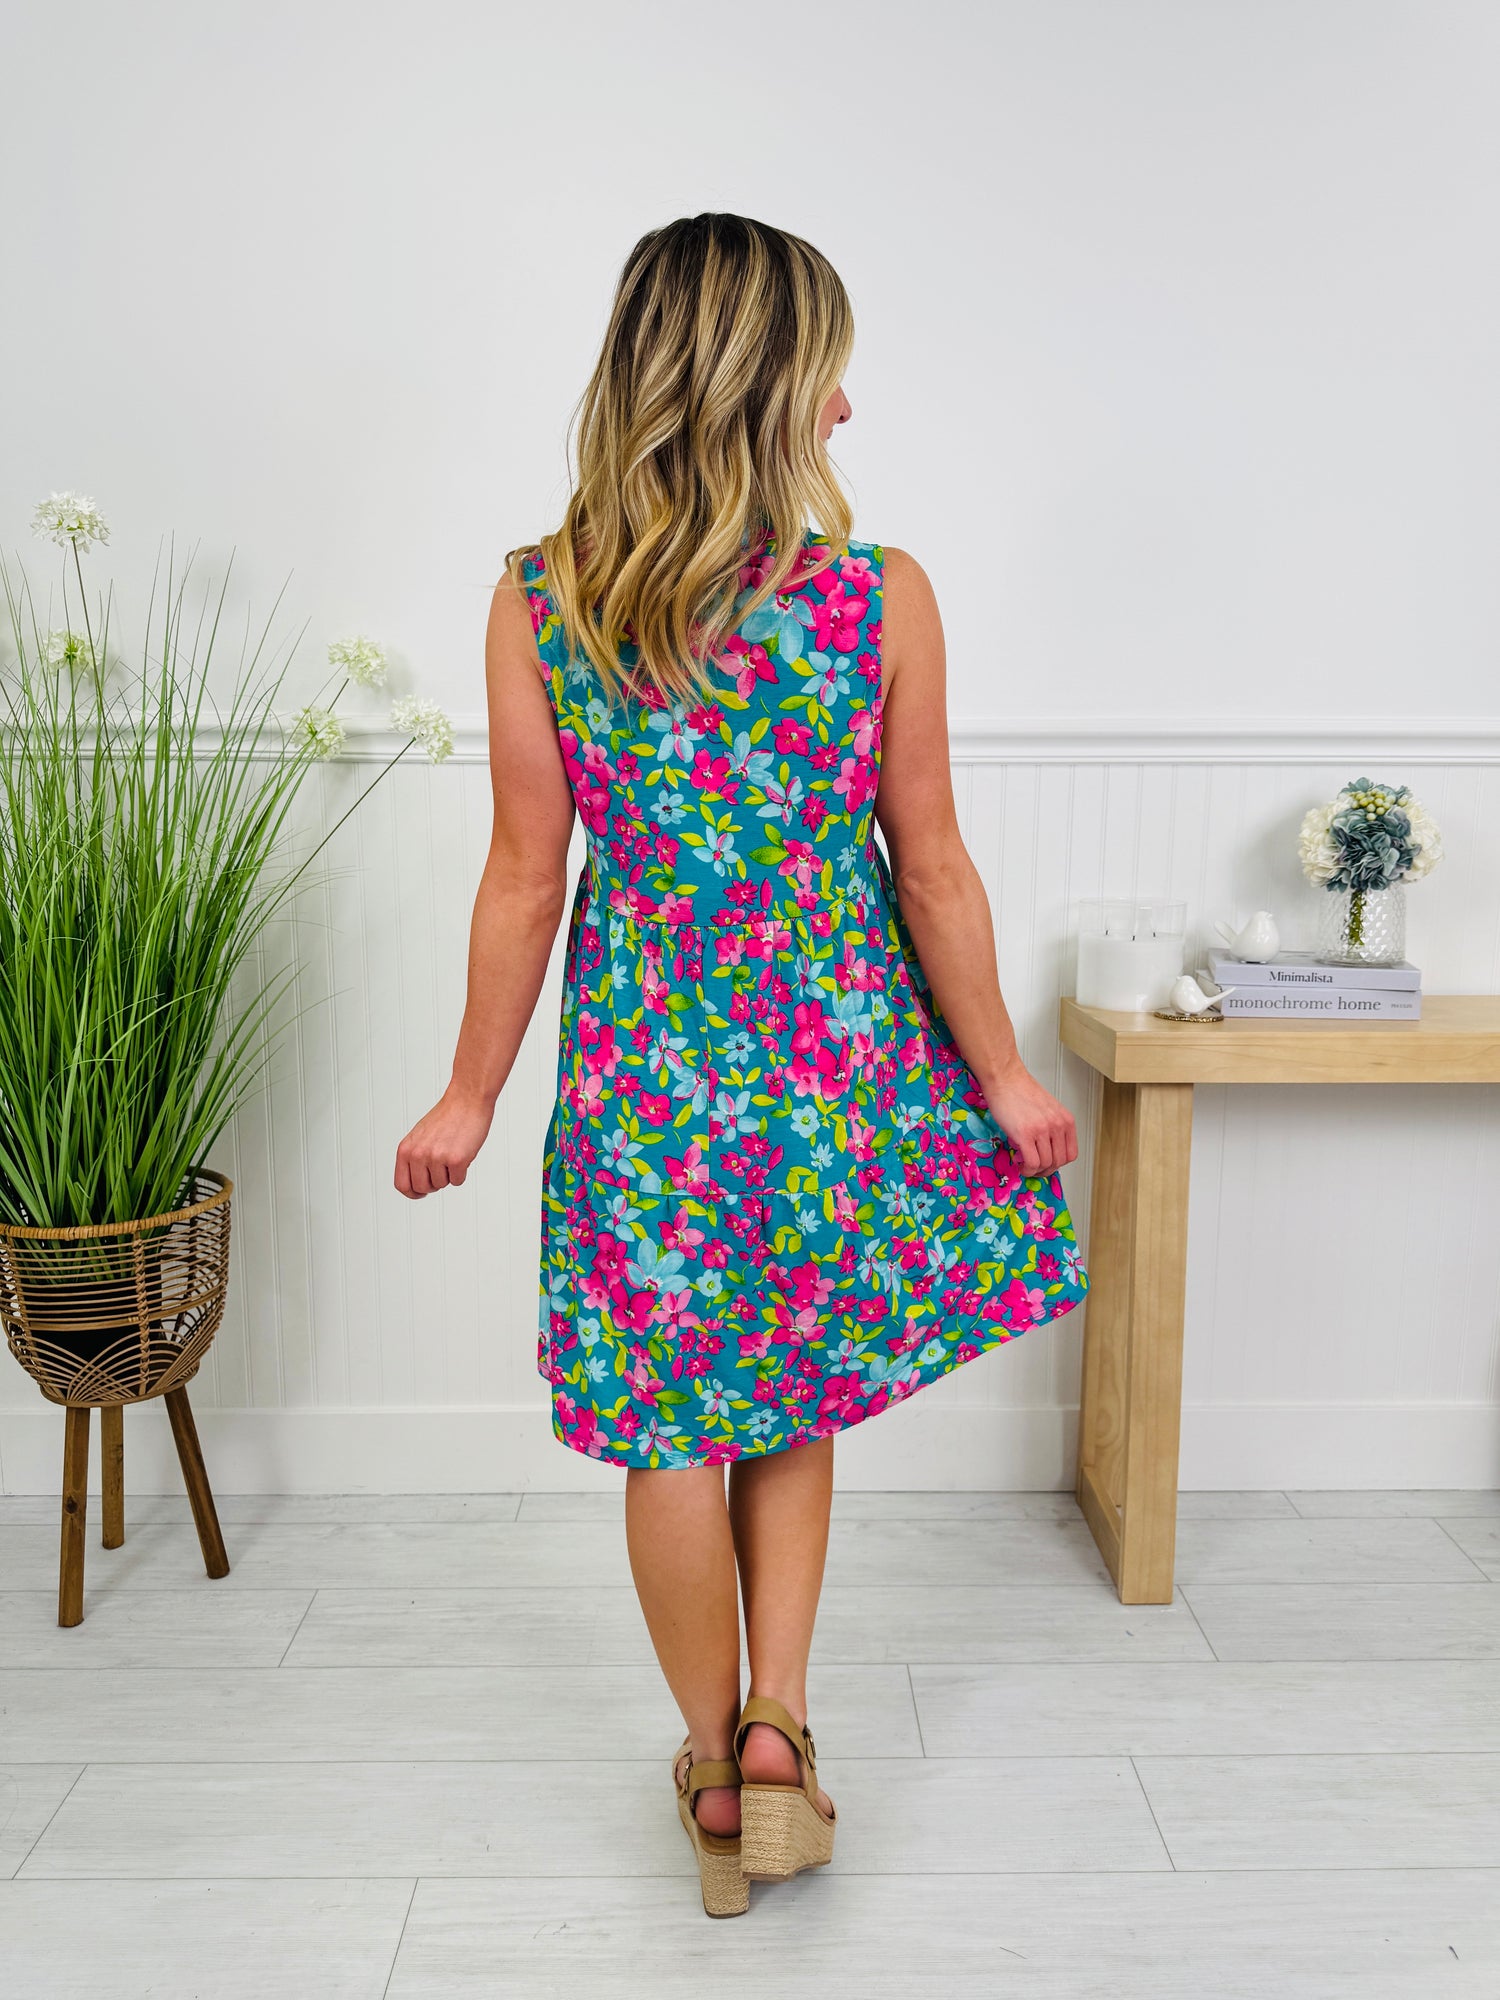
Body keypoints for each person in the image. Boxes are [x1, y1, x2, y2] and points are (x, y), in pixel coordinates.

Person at [395, 212, 1088, 1917]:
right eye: (830, 371)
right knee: (795, 1396)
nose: (848, 406)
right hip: (835, 1080)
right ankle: (782, 1728)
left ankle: (716, 1772)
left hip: (646, 1099)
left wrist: (470, 1094)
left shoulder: (544, 599)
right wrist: (1003, 1075)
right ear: (765, 384)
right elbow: (931, 868)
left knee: (672, 1434)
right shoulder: (878, 596)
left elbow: (523, 877)